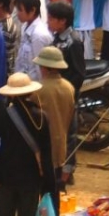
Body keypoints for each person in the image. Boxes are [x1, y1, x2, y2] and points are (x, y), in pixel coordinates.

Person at [0, 72, 55, 216]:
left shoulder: (2, 116)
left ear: (10, 94)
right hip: (31, 176)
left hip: (5, 174)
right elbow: (46, 151)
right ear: (29, 93)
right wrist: (49, 181)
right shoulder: (41, 117)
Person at [33, 47, 76, 188]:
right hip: (60, 147)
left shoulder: (38, 89)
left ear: (45, 67)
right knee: (55, 189)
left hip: (41, 148)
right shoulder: (69, 87)